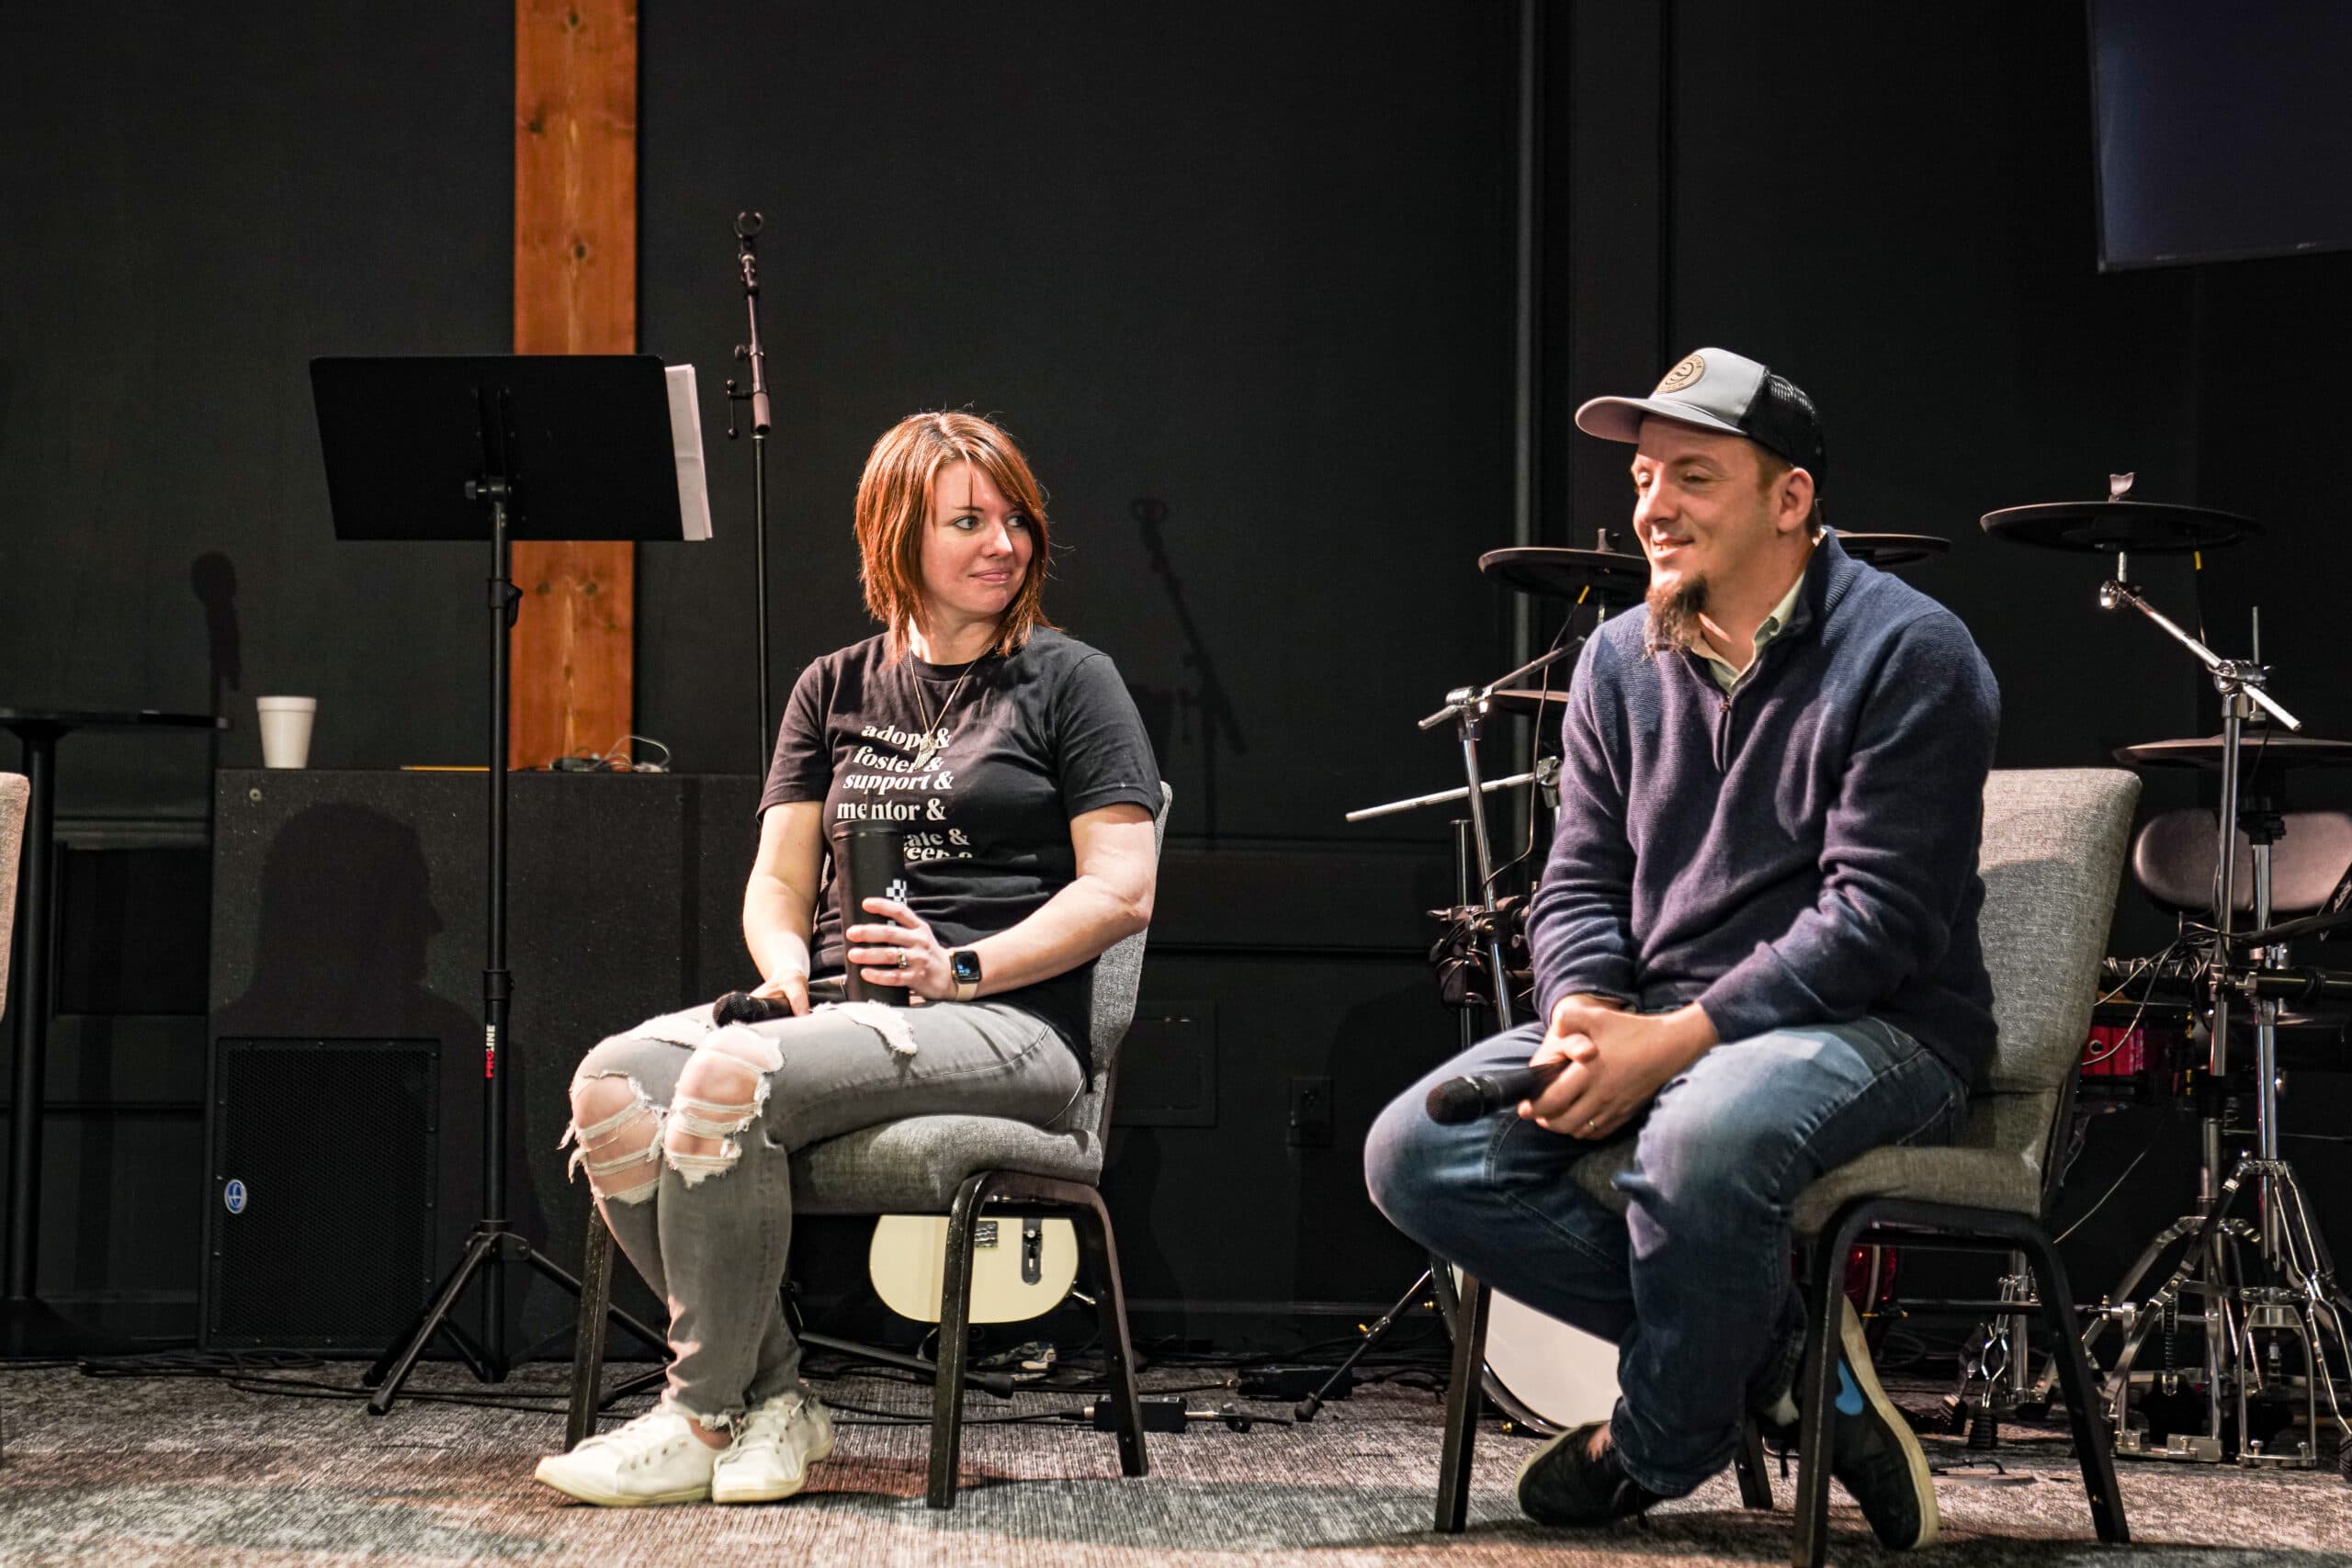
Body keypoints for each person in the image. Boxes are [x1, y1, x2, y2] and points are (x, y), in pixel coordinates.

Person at [1365, 348, 1998, 1548]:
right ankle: (1787, 1358)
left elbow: (1877, 920)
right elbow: (1577, 880)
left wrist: (1673, 1044)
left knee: (1702, 1135)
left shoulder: (1911, 651)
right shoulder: (1617, 658)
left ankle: (1655, 1441)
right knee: (1418, 1152)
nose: (1652, 505)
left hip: (1877, 1026)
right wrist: (1584, 1013)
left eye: (1693, 476)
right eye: (1645, 477)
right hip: (1662, 1011)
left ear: (1790, 498)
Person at [535, 411, 1162, 1507]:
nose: (1004, 543)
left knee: (729, 1078)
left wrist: (962, 969)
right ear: (894, 537)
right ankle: (777, 1400)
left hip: (1009, 1020)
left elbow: (1121, 889)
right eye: (967, 521)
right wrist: (784, 968)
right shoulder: (834, 686)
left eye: (1016, 519)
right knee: (612, 1084)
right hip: (839, 1012)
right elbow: (779, 883)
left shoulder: (1071, 680)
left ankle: (700, 1414)